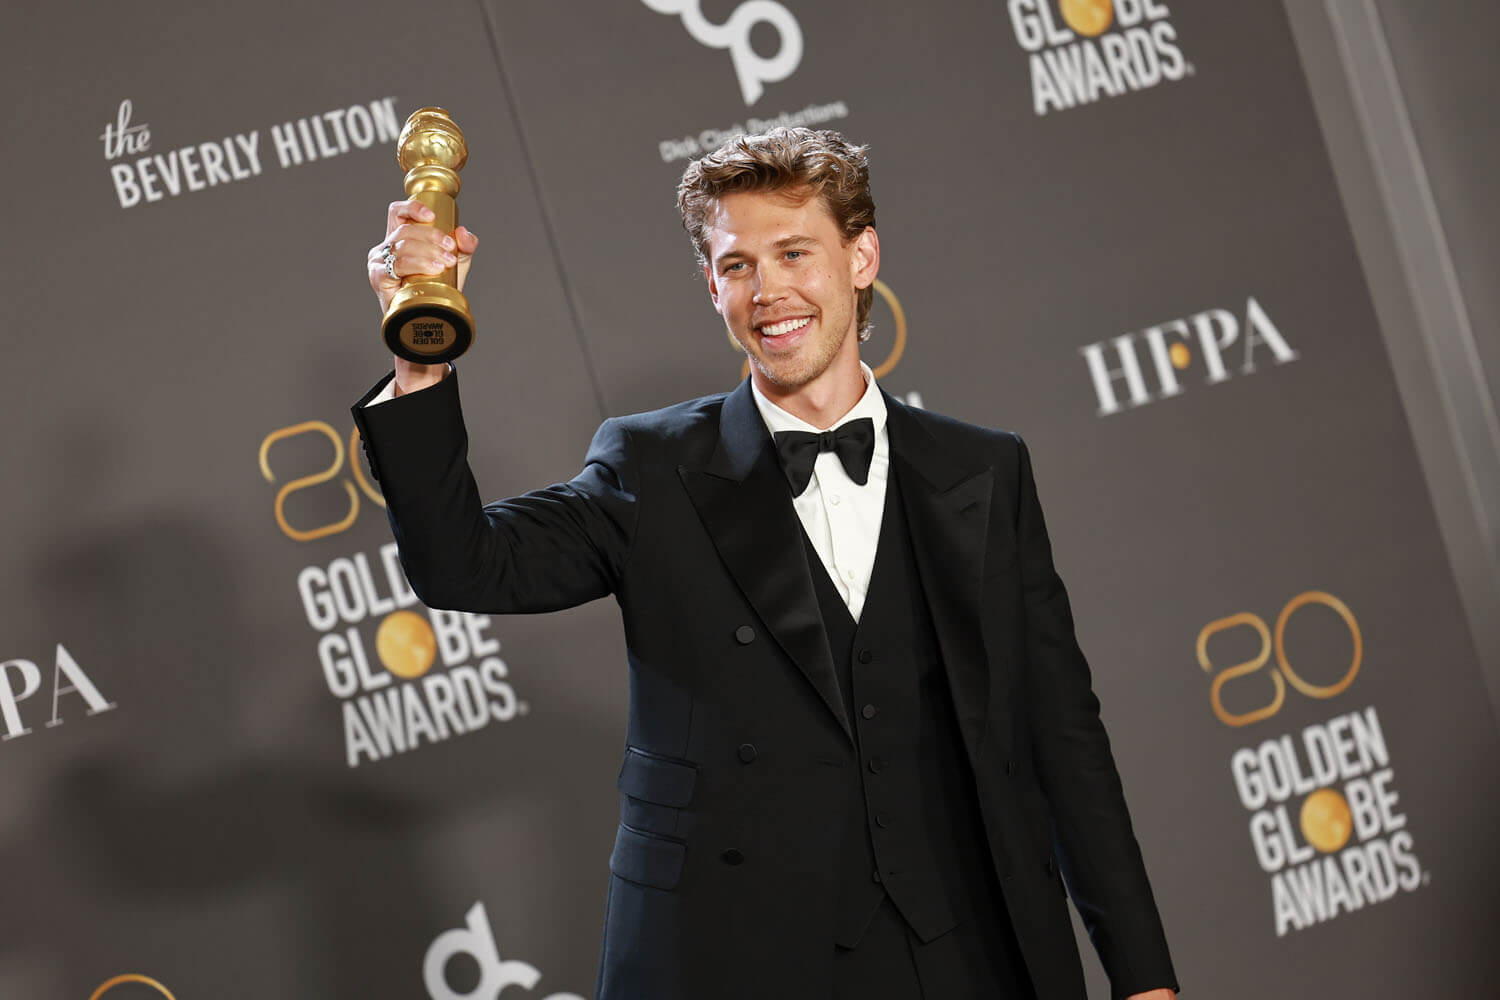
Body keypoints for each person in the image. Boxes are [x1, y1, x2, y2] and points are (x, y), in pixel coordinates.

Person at [353, 128, 1178, 1000]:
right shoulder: (651, 467)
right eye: (738, 265)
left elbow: (1062, 734)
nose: (768, 291)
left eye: (794, 253)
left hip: (965, 954)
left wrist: (1144, 978)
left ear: (861, 257)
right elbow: (465, 567)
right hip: (733, 957)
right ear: (713, 287)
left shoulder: (983, 470)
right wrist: (420, 354)